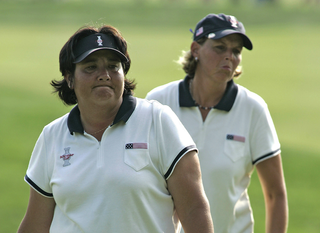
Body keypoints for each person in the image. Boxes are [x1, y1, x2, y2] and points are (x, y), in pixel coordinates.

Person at [17, 25, 214, 233]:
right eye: (90, 67)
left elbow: (194, 209)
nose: (104, 75)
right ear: (69, 78)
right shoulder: (52, 136)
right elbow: (36, 223)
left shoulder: (158, 120)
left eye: (113, 66)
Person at [146, 13, 288, 233]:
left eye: (236, 51)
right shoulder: (159, 102)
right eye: (220, 47)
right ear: (196, 50)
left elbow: (275, 194)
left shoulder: (253, 109)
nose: (229, 56)